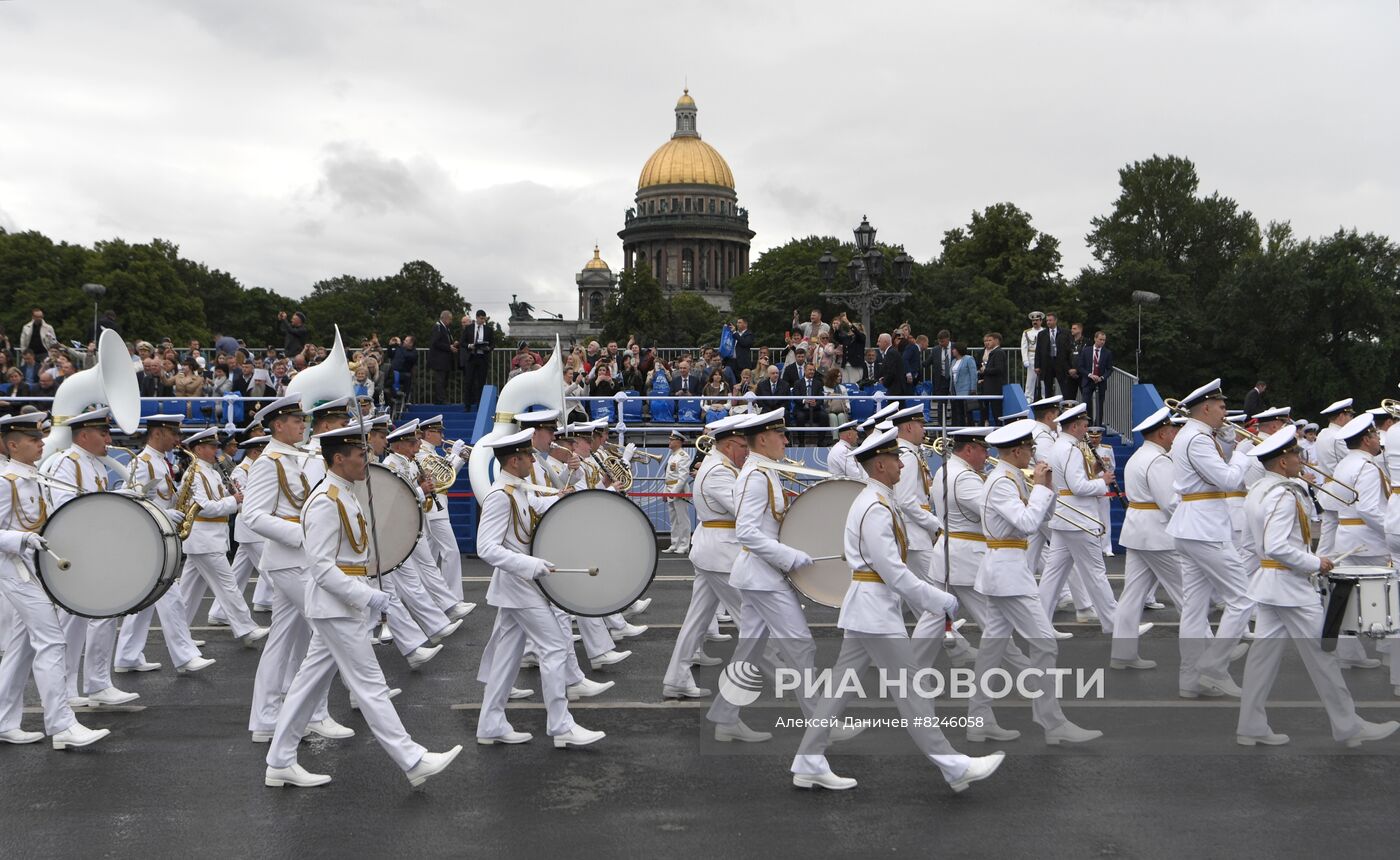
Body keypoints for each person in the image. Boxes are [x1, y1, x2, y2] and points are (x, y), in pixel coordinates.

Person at [790, 426, 1005, 793]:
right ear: (879, 466)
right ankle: (953, 766)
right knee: (910, 690)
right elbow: (892, 571)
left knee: (841, 688)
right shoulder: (874, 506)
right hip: (874, 610)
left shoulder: (878, 500)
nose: (901, 465)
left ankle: (808, 760)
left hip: (869, 608)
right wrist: (936, 600)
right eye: (893, 459)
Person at [265, 425, 462, 788]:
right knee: (371, 685)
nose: (365, 459)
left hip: (340, 604)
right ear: (339, 459)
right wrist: (366, 596)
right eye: (359, 454)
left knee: (307, 685)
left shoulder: (346, 493)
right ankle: (412, 759)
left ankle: (279, 761)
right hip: (336, 606)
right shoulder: (326, 500)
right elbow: (321, 567)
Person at [1235, 425, 1398, 748]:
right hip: (1291, 588)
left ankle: (1251, 725)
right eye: (1295, 453)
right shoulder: (1283, 494)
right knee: (1324, 656)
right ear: (1283, 462)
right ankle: (1348, 726)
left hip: (1270, 584)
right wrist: (1316, 563)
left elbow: (1253, 543)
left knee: (1262, 659)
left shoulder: (1258, 491)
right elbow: (1278, 545)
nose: (1300, 458)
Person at [968, 418, 1102, 745]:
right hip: (1009, 574)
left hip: (1004, 572)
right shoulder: (1002, 481)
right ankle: (1052, 722)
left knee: (992, 648)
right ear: (1016, 450)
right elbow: (1028, 523)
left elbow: (1042, 514)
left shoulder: (1010, 477)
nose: (1033, 452)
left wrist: (1047, 489)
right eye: (1029, 447)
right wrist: (1041, 488)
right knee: (1044, 643)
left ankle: (978, 719)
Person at [474, 429, 607, 748]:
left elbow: (534, 504)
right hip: (521, 585)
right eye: (528, 455)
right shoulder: (499, 495)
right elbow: (486, 548)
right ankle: (561, 727)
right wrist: (529, 564)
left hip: (518, 586)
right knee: (554, 648)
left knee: (507, 656)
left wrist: (559, 497)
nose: (534, 459)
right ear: (514, 459)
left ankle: (490, 723)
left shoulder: (517, 488)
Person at [706, 409, 824, 742]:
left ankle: (726, 718)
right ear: (763, 439)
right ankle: (821, 726)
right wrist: (790, 557)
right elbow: (746, 532)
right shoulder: (756, 475)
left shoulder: (765, 471)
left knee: (750, 651)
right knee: (801, 647)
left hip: (758, 575)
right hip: (763, 576)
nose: (786, 440)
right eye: (780, 435)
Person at [245, 396, 355, 744]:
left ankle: (265, 719)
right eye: (295, 420)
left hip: (296, 561)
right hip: (290, 559)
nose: (302, 424)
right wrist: (304, 535)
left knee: (282, 641)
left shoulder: (298, 457)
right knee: (326, 633)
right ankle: (315, 714)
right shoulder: (269, 462)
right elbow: (253, 516)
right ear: (278, 424)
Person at [0, 412, 111, 749]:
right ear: (12, 444)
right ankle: (62, 725)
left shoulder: (33, 477)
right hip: (15, 569)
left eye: (40, 438)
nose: (41, 443)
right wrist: (19, 540)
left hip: (33, 567)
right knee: (51, 641)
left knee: (21, 648)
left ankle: (3, 720)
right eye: (33, 441)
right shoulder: (6, 481)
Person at [40, 408, 139, 708]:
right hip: (72, 551)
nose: (108, 439)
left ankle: (98, 683)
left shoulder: (94, 464)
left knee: (104, 616)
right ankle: (66, 687)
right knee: (72, 622)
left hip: (94, 549)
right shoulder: (65, 463)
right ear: (83, 435)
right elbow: (66, 510)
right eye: (103, 433)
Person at [1168, 379, 1253, 699]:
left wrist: (1229, 445)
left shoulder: (1196, 435)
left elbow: (1211, 473)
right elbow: (1228, 478)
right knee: (1242, 599)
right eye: (1220, 406)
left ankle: (1190, 680)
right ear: (1205, 408)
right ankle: (1214, 667)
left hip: (1194, 525)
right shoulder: (1197, 439)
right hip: (1205, 528)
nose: (1224, 411)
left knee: (1194, 608)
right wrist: (1244, 453)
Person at [113, 415, 214, 676]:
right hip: (148, 537)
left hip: (157, 536)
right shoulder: (143, 462)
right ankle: (185, 656)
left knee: (146, 600)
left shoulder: (161, 462)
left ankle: (127, 655)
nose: (178, 439)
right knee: (171, 597)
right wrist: (163, 512)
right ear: (158, 433)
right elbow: (131, 497)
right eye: (173, 433)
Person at [172, 427, 270, 649]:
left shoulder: (212, 471)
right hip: (203, 537)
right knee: (227, 585)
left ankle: (179, 638)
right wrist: (233, 500)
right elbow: (204, 508)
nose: (216, 450)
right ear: (198, 449)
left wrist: (233, 497)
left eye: (216, 446)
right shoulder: (194, 473)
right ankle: (246, 627)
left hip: (210, 538)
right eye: (211, 447)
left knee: (188, 593)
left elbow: (221, 500)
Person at [1109, 409, 1188, 670]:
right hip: (1157, 533)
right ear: (1163, 433)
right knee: (1188, 594)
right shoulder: (1159, 461)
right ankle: (1210, 654)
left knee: (1132, 595)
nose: (1175, 436)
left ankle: (1123, 653)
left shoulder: (1138, 456)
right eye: (1172, 431)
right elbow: (1170, 503)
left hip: (1138, 530)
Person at [417, 417, 474, 606]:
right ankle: (454, 599)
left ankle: (430, 600)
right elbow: (437, 476)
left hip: (437, 507)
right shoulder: (422, 452)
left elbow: (446, 476)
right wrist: (455, 456)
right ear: (428, 433)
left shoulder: (431, 451)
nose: (443, 436)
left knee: (431, 558)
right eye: (439, 432)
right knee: (451, 552)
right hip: (432, 508)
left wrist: (459, 459)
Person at [1313, 398, 1355, 556]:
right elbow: (1351, 460)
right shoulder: (1339, 436)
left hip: (1329, 488)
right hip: (1341, 489)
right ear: (1342, 416)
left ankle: (1320, 568)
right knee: (1345, 533)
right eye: (1349, 416)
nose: (1351, 420)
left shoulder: (1324, 433)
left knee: (1327, 536)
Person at [662, 431, 693, 555]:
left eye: (672, 440)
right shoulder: (672, 455)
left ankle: (684, 545)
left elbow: (683, 477)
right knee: (673, 519)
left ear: (679, 441)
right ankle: (675, 543)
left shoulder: (683, 456)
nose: (669, 442)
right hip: (670, 489)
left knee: (682, 519)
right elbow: (668, 476)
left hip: (679, 491)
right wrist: (665, 492)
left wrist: (674, 492)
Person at [1078, 331, 1114, 427]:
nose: (1102, 342)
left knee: (1099, 405)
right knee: (1086, 403)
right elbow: (1080, 367)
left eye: (1104, 340)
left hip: (1100, 382)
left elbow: (1110, 369)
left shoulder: (1107, 353)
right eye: (1100, 339)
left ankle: (1097, 425)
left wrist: (1102, 378)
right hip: (1088, 381)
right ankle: (1087, 425)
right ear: (1095, 339)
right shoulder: (1086, 351)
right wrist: (1090, 375)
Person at [458, 309, 493, 410]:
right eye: (481, 318)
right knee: (469, 381)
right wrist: (470, 345)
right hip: (471, 357)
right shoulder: (469, 328)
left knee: (481, 382)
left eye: (484, 319)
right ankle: (467, 405)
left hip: (482, 357)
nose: (483, 321)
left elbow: (492, 343)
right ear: (477, 318)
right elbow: (462, 342)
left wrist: (488, 348)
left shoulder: (488, 330)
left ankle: (480, 405)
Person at [1034, 312, 1073, 400]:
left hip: (1061, 363)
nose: (1048, 322)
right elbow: (1038, 350)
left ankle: (1067, 407)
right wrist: (1037, 365)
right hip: (1047, 364)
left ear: (1055, 320)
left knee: (1065, 387)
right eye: (1047, 320)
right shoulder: (1042, 334)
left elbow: (1069, 350)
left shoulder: (1065, 333)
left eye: (1050, 320)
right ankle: (1049, 409)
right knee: (1048, 389)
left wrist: (1070, 365)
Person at [977, 333, 1007, 426]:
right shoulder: (992, 352)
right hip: (988, 387)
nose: (987, 342)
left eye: (990, 340)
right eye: (986, 340)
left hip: (995, 387)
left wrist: (985, 370)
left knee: (996, 411)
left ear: (996, 341)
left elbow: (999, 369)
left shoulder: (998, 352)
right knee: (985, 409)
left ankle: (999, 430)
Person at [427, 310, 456, 404]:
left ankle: (440, 399)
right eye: (450, 319)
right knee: (440, 380)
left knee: (444, 380)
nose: (451, 321)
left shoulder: (446, 329)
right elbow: (436, 343)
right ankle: (441, 399)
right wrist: (449, 347)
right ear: (445, 318)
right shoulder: (438, 327)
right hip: (439, 360)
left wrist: (452, 344)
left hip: (445, 360)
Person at [949, 344, 977, 426]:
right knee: (959, 412)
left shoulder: (968, 359)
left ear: (959, 350)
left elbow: (973, 374)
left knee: (967, 412)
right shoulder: (953, 361)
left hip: (966, 389)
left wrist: (973, 388)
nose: (952, 351)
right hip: (955, 390)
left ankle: (969, 430)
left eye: (954, 349)